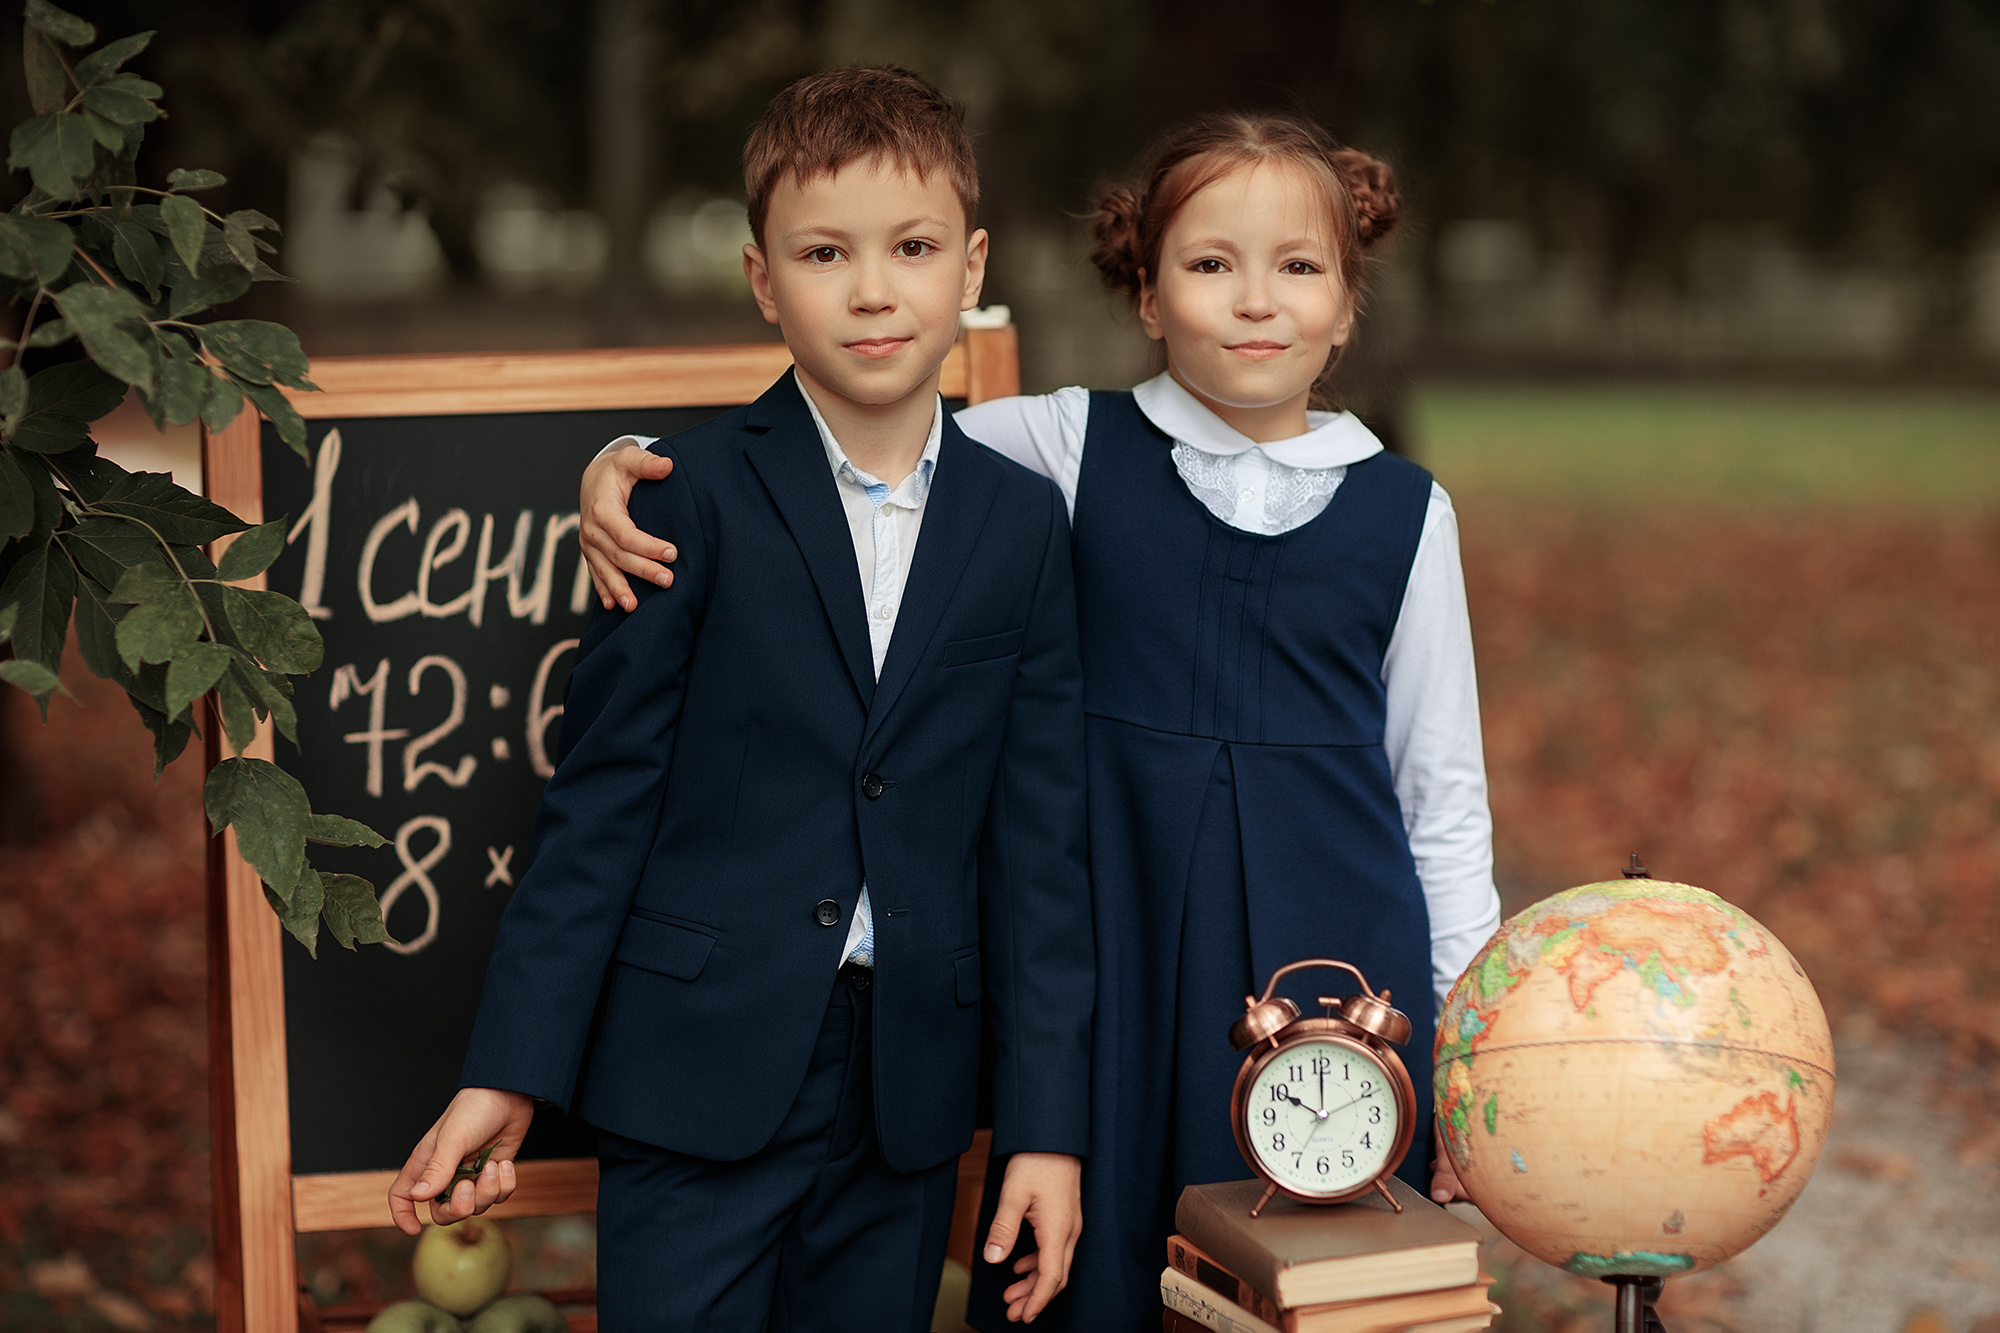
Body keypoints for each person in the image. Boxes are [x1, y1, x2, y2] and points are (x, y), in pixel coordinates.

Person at [579, 112, 1501, 1332]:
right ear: (1147, 294)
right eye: (1210, 264)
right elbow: (851, 460)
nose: (1254, 301)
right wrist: (629, 463)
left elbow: (1441, 800)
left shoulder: (1403, 510)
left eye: (1298, 267)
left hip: (1330, 974)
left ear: (1345, 303)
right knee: (1100, 1272)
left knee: (1316, 1276)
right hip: (1110, 954)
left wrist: (1464, 1056)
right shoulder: (1064, 443)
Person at [386, 66, 1095, 1332]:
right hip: (691, 1071)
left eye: (914, 247)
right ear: (764, 280)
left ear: (972, 263)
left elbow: (1037, 849)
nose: (873, 289)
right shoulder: (682, 498)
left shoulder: (1023, 525)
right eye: (825, 252)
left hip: (906, 1096)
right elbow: (599, 803)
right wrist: (509, 1068)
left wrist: (1045, 1127)